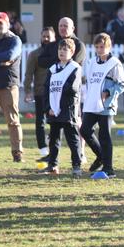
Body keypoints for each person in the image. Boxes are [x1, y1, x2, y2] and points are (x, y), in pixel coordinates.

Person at [81, 33, 124, 178]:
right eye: (97, 47)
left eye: (102, 47)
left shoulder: (114, 63)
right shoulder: (92, 62)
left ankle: (109, 169)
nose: (100, 50)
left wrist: (108, 92)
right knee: (85, 130)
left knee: (104, 136)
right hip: (92, 104)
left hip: (106, 106)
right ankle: (101, 156)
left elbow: (122, 84)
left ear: (108, 47)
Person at [40, 39, 83, 176]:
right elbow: (46, 89)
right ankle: (52, 165)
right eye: (60, 49)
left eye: (65, 49)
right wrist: (48, 108)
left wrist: (60, 105)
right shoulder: (52, 69)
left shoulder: (75, 68)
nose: (62, 52)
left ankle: (76, 166)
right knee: (54, 139)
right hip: (53, 111)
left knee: (73, 139)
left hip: (68, 110)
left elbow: (73, 88)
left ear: (72, 52)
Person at [0, 12, 23, 163]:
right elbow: (4, 59)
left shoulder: (15, 40)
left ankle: (17, 154)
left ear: (7, 24)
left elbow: (10, 55)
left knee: (13, 121)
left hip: (8, 86)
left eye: (0, 23)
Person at [24, 27, 56, 158]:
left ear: (54, 38)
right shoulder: (34, 54)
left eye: (49, 36)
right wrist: (27, 91)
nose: (46, 39)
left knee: (57, 121)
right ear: (41, 37)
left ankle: (52, 141)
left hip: (56, 93)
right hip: (40, 92)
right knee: (40, 121)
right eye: (44, 36)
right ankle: (43, 147)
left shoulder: (59, 53)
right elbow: (28, 74)